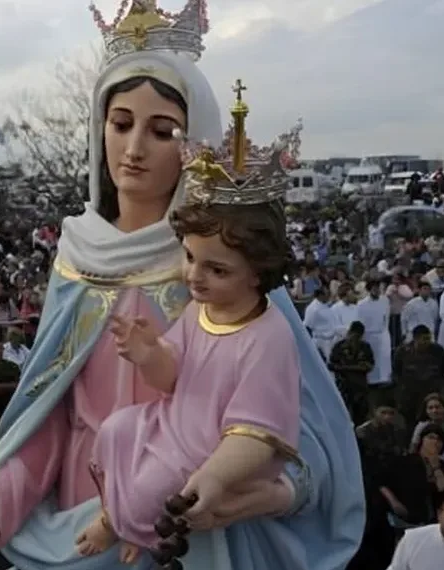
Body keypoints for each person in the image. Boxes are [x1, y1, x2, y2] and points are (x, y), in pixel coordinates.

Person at [0, 3, 363, 569]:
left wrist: (272, 493)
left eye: (161, 131)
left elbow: (295, 423)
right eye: (121, 122)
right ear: (98, 126)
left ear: (193, 139)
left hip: (191, 525)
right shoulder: (77, 256)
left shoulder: (217, 266)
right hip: (84, 512)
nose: (133, 149)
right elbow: (48, 411)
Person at [74, 117, 303, 561]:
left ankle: (131, 528)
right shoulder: (202, 309)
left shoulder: (268, 337)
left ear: (258, 272)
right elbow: (174, 372)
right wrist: (150, 355)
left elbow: (256, 433)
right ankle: (118, 517)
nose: (193, 277)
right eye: (191, 258)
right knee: (115, 432)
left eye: (216, 270)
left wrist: (216, 475)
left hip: (216, 448)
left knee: (150, 492)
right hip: (173, 422)